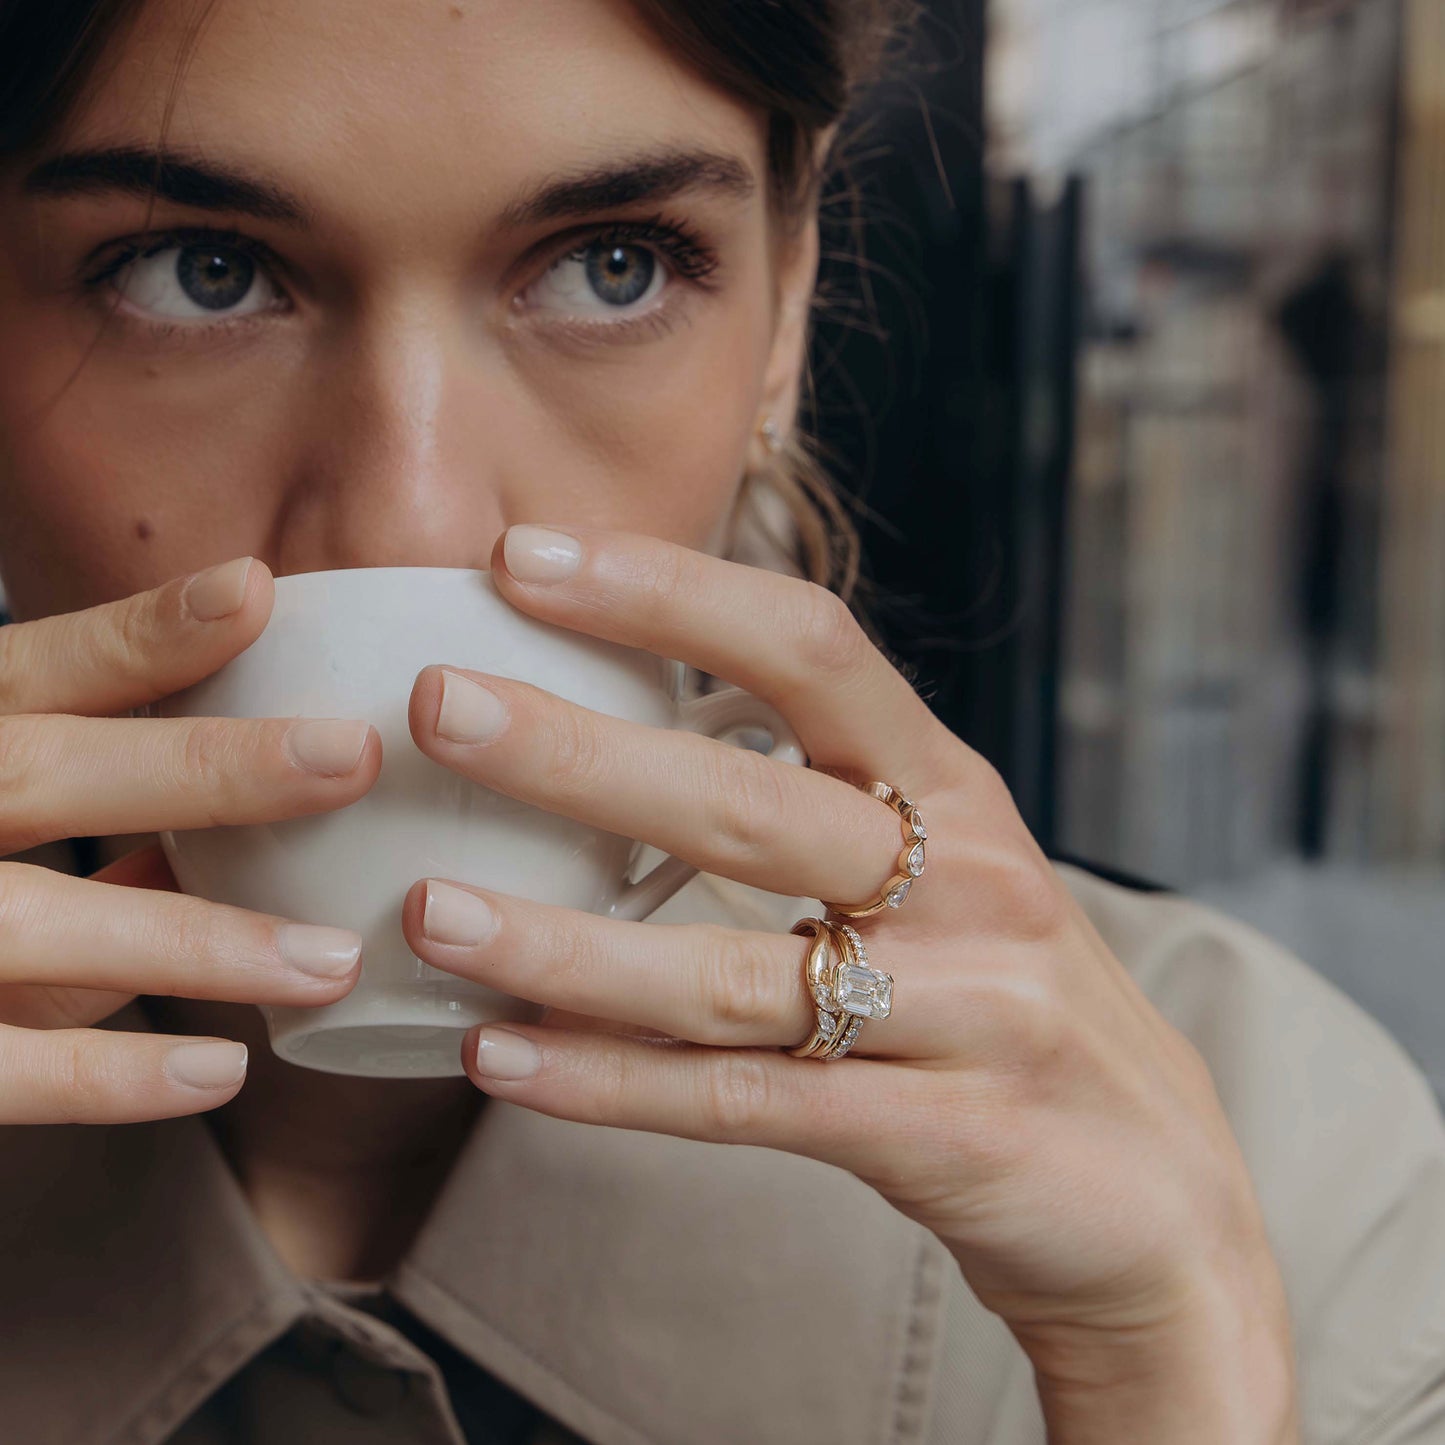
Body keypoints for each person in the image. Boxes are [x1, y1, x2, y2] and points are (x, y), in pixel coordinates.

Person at [1, 1, 1442, 1442]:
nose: (410, 517)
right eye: (199, 273)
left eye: (607, 267)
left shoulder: (1272, 1154)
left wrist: (1163, 1370)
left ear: (785, 313)